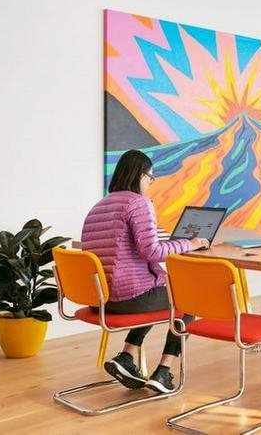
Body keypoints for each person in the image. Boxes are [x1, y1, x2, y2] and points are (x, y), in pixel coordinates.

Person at [81, 150, 209, 393]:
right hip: (126, 298)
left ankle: (127, 357)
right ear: (140, 176)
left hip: (100, 299)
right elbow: (152, 252)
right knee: (190, 297)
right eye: (151, 178)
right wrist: (191, 244)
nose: (151, 183)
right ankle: (163, 371)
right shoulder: (138, 203)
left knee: (157, 294)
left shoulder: (98, 207)